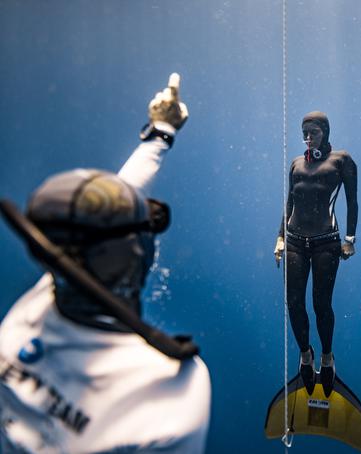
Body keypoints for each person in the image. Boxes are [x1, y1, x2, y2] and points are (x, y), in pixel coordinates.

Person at [0, 74, 211, 452]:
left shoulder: (39, 302)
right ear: (135, 254)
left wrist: (161, 131)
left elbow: (104, 210)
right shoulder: (170, 385)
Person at [273, 111, 358, 397]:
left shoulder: (342, 161)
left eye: (314, 133)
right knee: (294, 304)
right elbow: (290, 202)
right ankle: (306, 356)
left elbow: (352, 202)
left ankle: (327, 358)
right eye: (304, 134)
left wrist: (349, 239)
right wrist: (280, 237)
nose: (308, 139)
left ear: (326, 131)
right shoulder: (296, 163)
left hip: (326, 243)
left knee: (322, 304)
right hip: (295, 241)